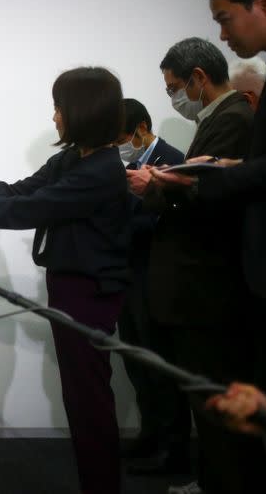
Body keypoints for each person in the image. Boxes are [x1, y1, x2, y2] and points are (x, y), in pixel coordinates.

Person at [0, 66, 129, 494]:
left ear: (82, 110)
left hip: (89, 293)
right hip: (69, 287)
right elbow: (21, 191)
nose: (54, 117)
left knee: (89, 400)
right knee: (79, 398)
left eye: (58, 107)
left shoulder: (103, 170)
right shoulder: (75, 157)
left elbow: (32, 209)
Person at [150, 0, 266, 486]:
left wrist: (176, 184)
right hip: (207, 292)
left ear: (265, 3)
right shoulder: (223, 120)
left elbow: (258, 184)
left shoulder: (235, 118)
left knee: (225, 420)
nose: (224, 36)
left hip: (217, 292)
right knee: (210, 418)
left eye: (226, 20)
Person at [148, 37, 254, 494]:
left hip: (207, 288)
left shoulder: (234, 118)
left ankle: (223, 483)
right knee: (202, 396)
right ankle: (213, 478)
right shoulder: (216, 119)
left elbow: (214, 199)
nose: (174, 98)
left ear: (197, 78)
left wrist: (162, 186)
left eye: (175, 87)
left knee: (213, 395)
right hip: (194, 287)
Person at [116, 99, 191, 476]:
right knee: (136, 363)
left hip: (157, 279)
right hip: (128, 280)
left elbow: (166, 223)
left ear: (142, 128)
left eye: (123, 136)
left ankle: (174, 448)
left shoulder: (172, 161)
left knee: (161, 366)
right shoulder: (127, 166)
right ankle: (149, 434)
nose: (120, 144)